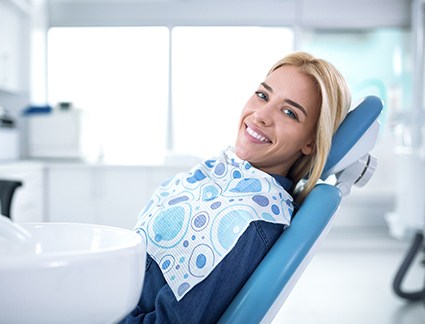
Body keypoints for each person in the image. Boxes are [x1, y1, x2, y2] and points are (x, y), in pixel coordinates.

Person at [120, 51, 351, 323]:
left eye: (289, 112)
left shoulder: (247, 221)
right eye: (263, 95)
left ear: (310, 142)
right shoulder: (221, 174)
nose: (260, 115)